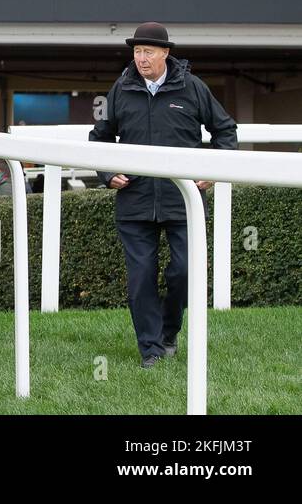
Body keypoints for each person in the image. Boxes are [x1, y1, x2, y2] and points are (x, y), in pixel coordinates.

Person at [89, 22, 237, 368]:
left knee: (184, 273)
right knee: (140, 280)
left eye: (148, 52)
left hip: (183, 202)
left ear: (165, 53)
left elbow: (225, 130)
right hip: (134, 202)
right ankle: (152, 351)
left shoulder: (193, 87)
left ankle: (169, 332)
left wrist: (211, 171)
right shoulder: (121, 88)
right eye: (137, 52)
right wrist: (107, 174)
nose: (141, 58)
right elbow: (100, 138)